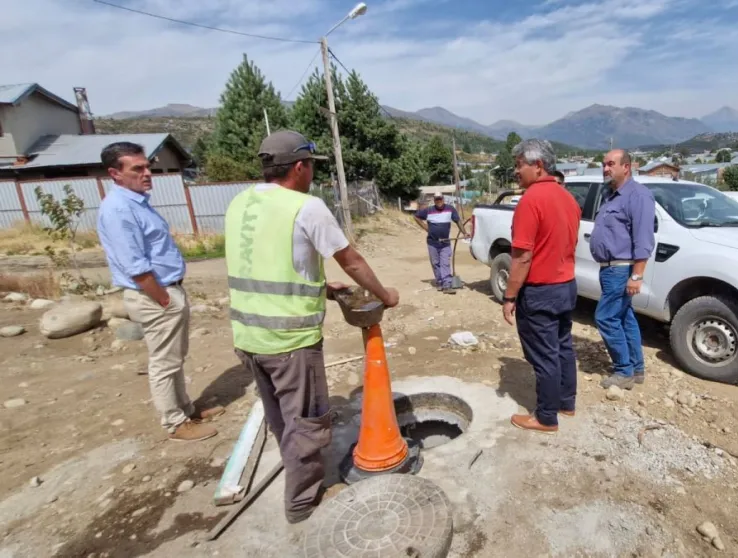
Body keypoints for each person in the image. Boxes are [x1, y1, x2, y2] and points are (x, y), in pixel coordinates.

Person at [224, 130, 399, 524]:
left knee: (281, 419)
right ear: (300, 167)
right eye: (311, 168)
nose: (312, 175)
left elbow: (268, 265)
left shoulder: (240, 202)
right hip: (289, 342)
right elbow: (351, 261)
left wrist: (320, 288)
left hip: (248, 337)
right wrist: (385, 295)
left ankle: (294, 470)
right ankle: (303, 502)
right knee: (305, 425)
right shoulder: (306, 207)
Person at [97, 142, 224, 442]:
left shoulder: (136, 203)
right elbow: (134, 265)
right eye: (137, 169)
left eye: (147, 166)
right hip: (154, 295)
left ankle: (185, 409)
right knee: (164, 362)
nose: (147, 173)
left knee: (175, 357)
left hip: (167, 291)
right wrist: (164, 299)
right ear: (115, 173)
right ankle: (175, 423)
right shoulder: (118, 209)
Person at [501, 139, 581, 433]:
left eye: (519, 165)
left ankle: (546, 417)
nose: (516, 171)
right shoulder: (567, 198)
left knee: (545, 355)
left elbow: (522, 257)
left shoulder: (531, 200)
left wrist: (510, 296)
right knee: (562, 347)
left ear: (538, 166)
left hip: (541, 291)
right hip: (566, 286)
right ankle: (566, 403)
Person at [589, 149, 655, 390]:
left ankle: (623, 371)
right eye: (604, 164)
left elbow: (643, 239)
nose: (605, 168)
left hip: (621, 269)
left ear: (626, 167)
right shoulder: (611, 194)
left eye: (611, 164)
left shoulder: (638, 196)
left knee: (605, 317)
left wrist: (636, 275)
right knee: (624, 317)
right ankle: (636, 369)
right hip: (609, 269)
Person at [414, 193, 466, 292]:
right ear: (434, 200)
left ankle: (447, 284)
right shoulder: (429, 210)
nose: (439, 201)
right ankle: (440, 282)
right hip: (432, 243)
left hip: (445, 243)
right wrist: (425, 227)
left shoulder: (450, 209)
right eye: (437, 199)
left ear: (443, 199)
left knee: (445, 263)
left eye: (440, 199)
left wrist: (464, 232)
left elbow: (457, 221)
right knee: (435, 263)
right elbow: (416, 217)